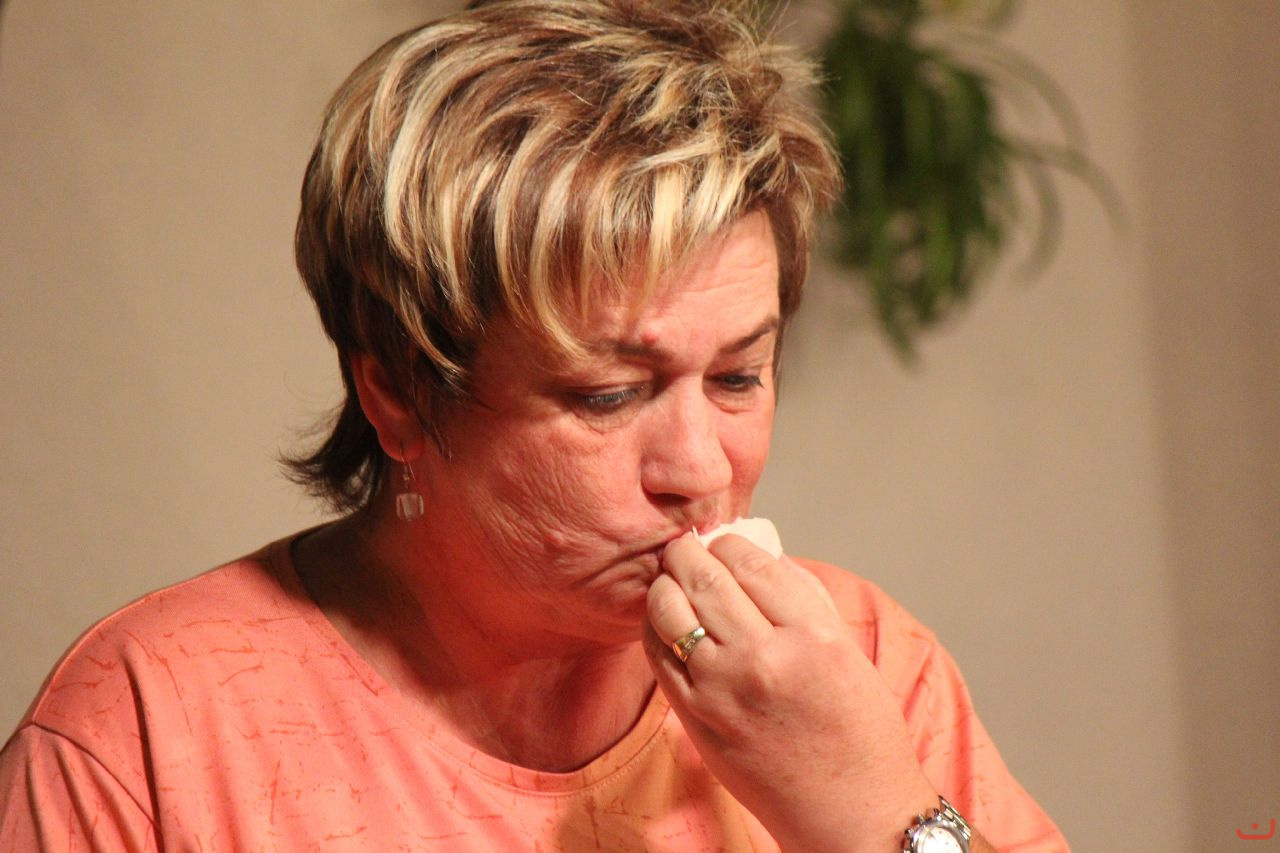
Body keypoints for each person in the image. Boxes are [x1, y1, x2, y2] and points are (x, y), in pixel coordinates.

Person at [0, 1, 1067, 850]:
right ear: (399, 396)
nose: (700, 468)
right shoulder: (146, 729)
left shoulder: (858, 664)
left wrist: (868, 808)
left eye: (739, 376)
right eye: (608, 394)